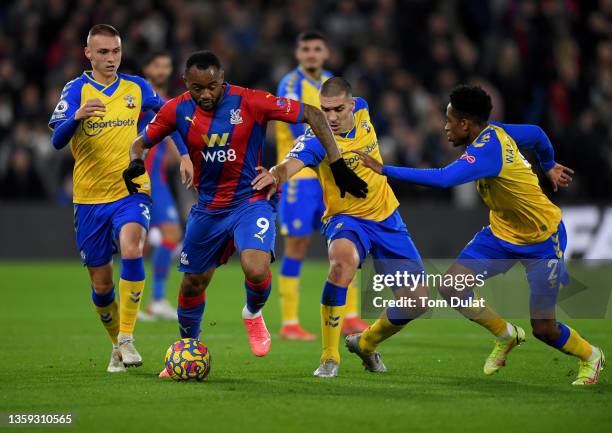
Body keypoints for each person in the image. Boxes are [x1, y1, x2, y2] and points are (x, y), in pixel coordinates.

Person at [123, 51, 367, 376]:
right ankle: (187, 348)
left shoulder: (251, 101)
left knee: (255, 267)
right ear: (186, 84)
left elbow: (312, 114)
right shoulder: (176, 109)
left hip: (250, 200)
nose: (206, 94)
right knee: (193, 284)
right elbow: (140, 143)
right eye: (198, 88)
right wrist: (136, 162)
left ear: (223, 79)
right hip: (208, 209)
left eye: (212, 86)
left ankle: (253, 312)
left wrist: (337, 164)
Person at [355, 84, 604, 385]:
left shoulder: (488, 150)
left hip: (542, 240)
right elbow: (537, 134)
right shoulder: (495, 131)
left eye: (449, 120)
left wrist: (384, 170)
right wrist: (548, 165)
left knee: (544, 328)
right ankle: (505, 333)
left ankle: (591, 356)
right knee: (451, 287)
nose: (445, 127)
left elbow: (444, 179)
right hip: (500, 234)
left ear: (465, 124)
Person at [253, 77, 428, 378]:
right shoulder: (314, 140)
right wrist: (275, 174)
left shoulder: (363, 111)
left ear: (351, 104)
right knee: (342, 265)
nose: (330, 117)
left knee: (418, 300)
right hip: (347, 220)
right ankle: (329, 356)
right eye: (324, 110)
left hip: (387, 218)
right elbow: (289, 165)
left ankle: (366, 342)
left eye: (337, 109)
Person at [48, 24, 182, 373]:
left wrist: (184, 155)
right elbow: (57, 142)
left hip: (130, 188)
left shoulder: (136, 87)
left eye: (115, 52)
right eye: (103, 52)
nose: (110, 58)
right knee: (102, 285)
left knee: (133, 246)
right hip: (90, 197)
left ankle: (127, 336)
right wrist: (76, 118)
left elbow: (171, 116)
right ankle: (115, 345)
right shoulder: (75, 90)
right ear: (88, 53)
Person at [276, 31, 368, 341]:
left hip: (331, 177)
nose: (312, 54)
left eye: (317, 48)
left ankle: (352, 316)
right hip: (300, 178)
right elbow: (300, 128)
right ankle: (290, 321)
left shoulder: (332, 84)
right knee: (297, 246)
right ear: (297, 53)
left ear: (326, 52)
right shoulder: (289, 85)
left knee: (348, 240)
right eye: (306, 49)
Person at [137, 51, 184, 321]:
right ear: (147, 68)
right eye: (158, 65)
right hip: (142, 176)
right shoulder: (141, 99)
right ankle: (151, 299)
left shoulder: (165, 102)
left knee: (161, 236)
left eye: (167, 65)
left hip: (158, 178)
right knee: (161, 233)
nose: (163, 70)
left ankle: (153, 300)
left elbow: (169, 140)